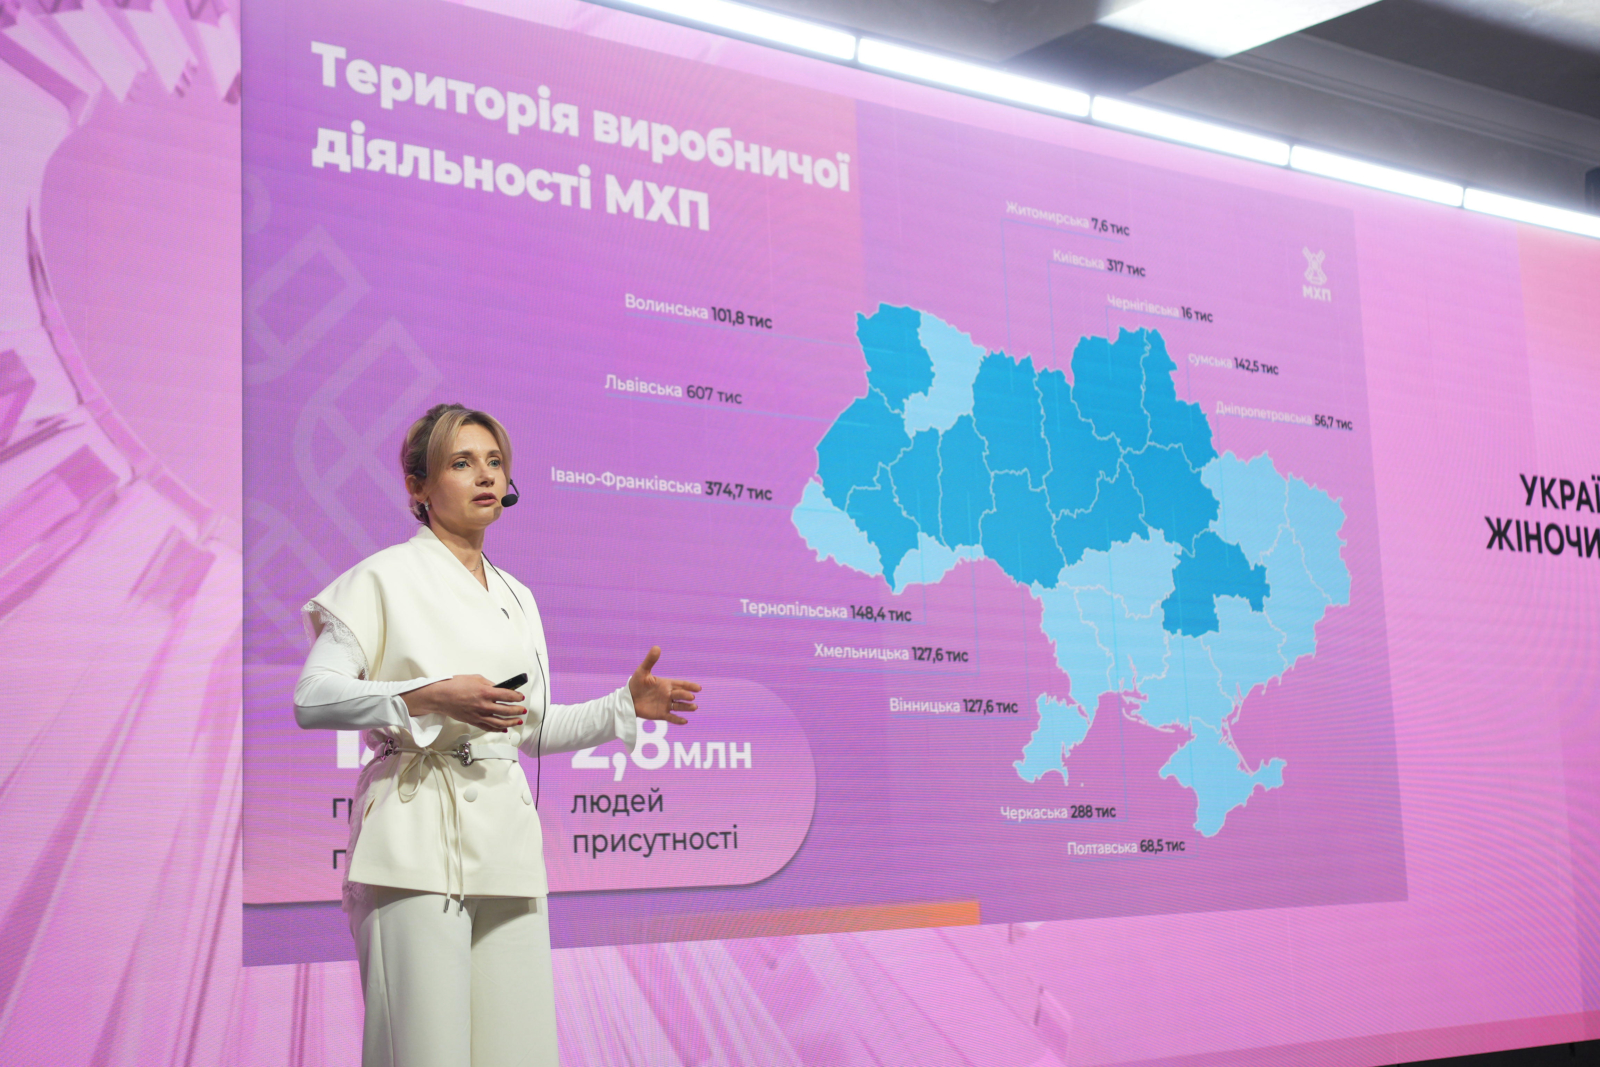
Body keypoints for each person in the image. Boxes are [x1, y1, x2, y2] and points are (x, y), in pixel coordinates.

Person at [293, 402, 700, 1067]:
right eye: (461, 462)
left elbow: (531, 729)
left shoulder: (517, 595)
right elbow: (313, 697)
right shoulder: (382, 577)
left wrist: (621, 706)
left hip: (507, 848)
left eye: (494, 462)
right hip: (413, 843)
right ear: (418, 486)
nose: (485, 475)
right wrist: (429, 694)